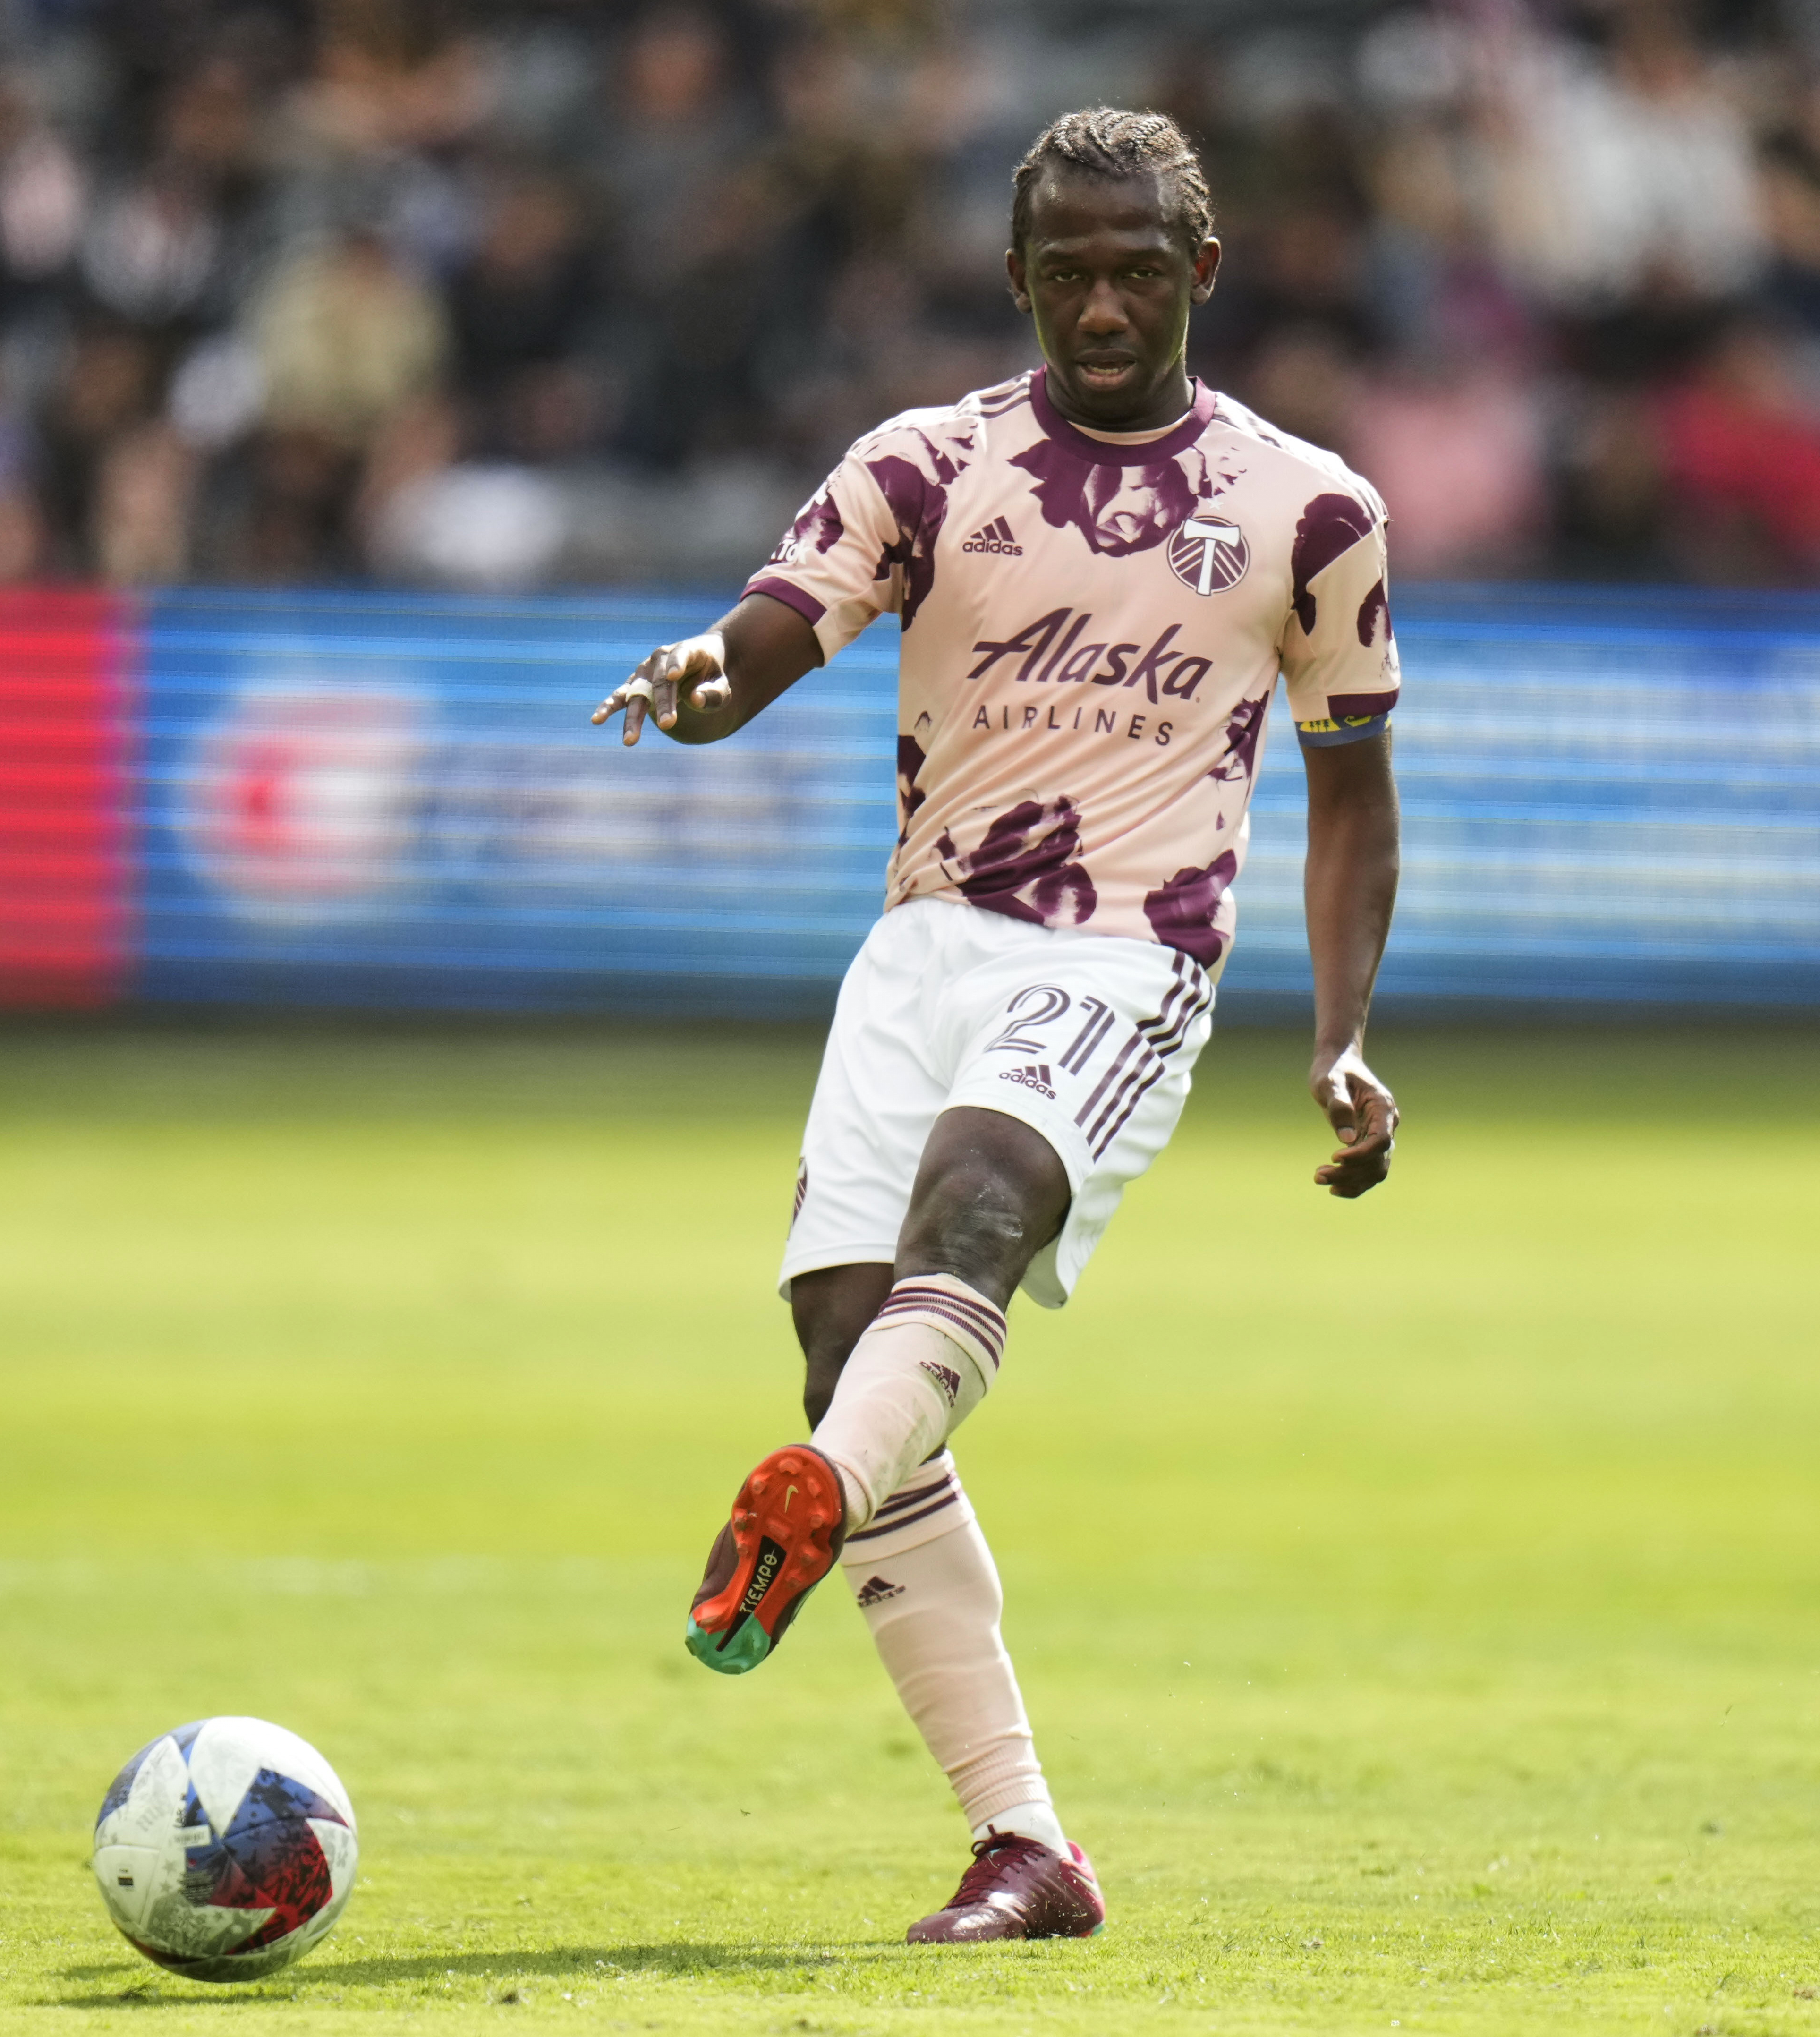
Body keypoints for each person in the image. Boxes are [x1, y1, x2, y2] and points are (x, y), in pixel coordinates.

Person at [588, 106, 1403, 1944]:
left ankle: (806, 1496)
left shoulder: (1310, 509)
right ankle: (1026, 1845)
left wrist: (1337, 1033)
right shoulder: (924, 466)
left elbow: (1353, 789)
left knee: (975, 1203)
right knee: (838, 1337)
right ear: (1016, 278)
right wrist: (694, 682)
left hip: (1131, 951)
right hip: (925, 944)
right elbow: (768, 634)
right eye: (1067, 271)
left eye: (1135, 269)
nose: (1100, 302)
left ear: (1199, 274)